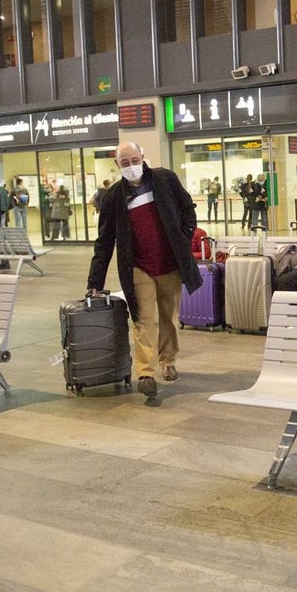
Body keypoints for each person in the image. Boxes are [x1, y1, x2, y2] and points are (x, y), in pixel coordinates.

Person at [87, 141, 202, 402]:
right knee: (143, 318)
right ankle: (146, 374)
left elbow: (188, 209)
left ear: (143, 157)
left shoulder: (165, 179)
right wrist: (95, 280)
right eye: (124, 163)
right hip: (138, 267)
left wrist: (184, 238)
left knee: (169, 316)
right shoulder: (113, 197)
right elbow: (104, 241)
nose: (131, 166)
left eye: (134, 160)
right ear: (117, 165)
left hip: (170, 264)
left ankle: (168, 360)